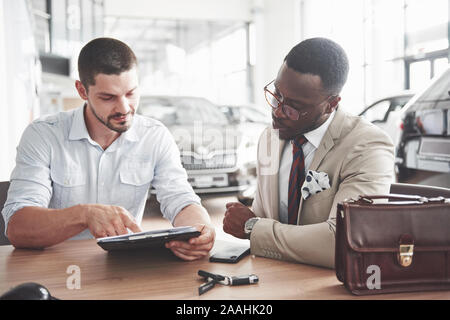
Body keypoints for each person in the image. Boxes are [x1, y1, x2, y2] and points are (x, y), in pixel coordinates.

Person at [2, 37, 215, 261]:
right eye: (108, 97)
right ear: (82, 91)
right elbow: (18, 227)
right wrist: (83, 214)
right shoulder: (43, 135)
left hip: (122, 267)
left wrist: (200, 230)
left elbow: (181, 199)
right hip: (56, 268)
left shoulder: (155, 135)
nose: (124, 108)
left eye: (131, 93)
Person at [223, 37, 395, 268]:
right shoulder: (269, 137)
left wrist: (252, 227)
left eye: (294, 107)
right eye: (276, 96)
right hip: (271, 280)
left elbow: (346, 241)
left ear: (331, 104)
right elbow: (265, 217)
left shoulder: (368, 146)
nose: (278, 112)